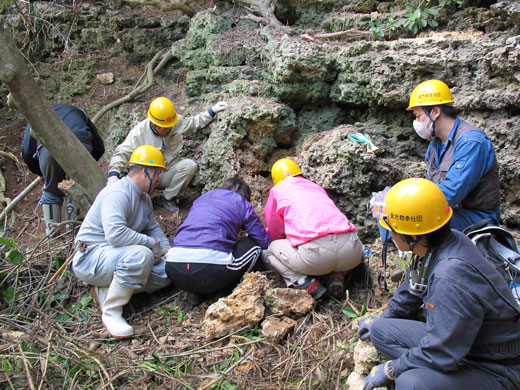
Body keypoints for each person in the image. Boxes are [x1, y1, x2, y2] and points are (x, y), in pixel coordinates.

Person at [359, 178, 520, 390]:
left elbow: (442, 351)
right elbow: (411, 289)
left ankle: (434, 377)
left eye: (391, 229)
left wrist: (393, 369)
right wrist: (381, 320)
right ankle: (435, 374)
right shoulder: (440, 243)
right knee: (380, 330)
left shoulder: (450, 277)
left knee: (411, 383)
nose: (389, 234)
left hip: (495, 366)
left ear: (413, 235)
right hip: (464, 344)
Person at [71, 145, 171, 339]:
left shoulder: (144, 199)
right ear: (145, 172)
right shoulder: (117, 193)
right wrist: (151, 243)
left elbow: (153, 227)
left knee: (169, 271)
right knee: (142, 255)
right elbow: (115, 235)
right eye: (158, 173)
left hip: (118, 256)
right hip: (93, 258)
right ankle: (111, 311)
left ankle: (108, 288)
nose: (159, 179)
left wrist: (168, 251)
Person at [263, 158, 364, 300]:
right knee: (341, 250)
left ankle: (305, 283)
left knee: (272, 249)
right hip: (352, 251)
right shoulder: (315, 187)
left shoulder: (278, 191)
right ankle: (338, 275)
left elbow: (275, 228)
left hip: (316, 257)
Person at [107, 96, 229, 212]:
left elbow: (192, 124)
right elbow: (121, 153)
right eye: (161, 127)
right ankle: (145, 200)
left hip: (166, 171)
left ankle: (166, 198)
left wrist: (212, 111)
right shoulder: (139, 133)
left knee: (190, 165)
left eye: (168, 126)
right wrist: (113, 175)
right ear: (153, 121)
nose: (165, 129)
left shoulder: (175, 122)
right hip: (147, 175)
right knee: (138, 201)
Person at [408, 79, 500, 231]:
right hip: (450, 212)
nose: (416, 122)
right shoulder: (434, 146)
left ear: (436, 112)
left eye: (418, 116)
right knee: (390, 218)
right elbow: (432, 187)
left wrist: (410, 203)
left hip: (476, 219)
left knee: (414, 220)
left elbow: (451, 193)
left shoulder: (471, 141)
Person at [165, 177, 270, 305]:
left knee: (201, 261)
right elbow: (261, 238)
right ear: (245, 195)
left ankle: (195, 291)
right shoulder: (241, 202)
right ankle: (226, 289)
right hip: (210, 269)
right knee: (254, 245)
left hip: (174, 268)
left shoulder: (202, 199)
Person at [16, 99, 105, 235]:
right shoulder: (78, 112)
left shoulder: (35, 117)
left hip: (48, 148)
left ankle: (52, 235)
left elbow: (27, 151)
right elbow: (98, 145)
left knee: (51, 189)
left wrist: (41, 173)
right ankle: (72, 227)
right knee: (76, 184)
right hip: (81, 143)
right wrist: (88, 167)